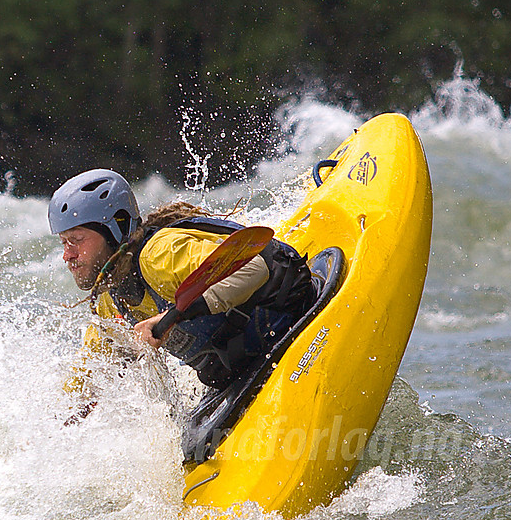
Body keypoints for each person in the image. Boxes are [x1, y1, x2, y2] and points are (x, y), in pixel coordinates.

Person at [49, 168, 317, 393]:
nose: (67, 255)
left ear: (113, 230)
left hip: (293, 316)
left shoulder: (159, 256)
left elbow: (253, 268)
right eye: (64, 242)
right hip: (245, 367)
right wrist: (70, 413)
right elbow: (94, 369)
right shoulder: (111, 300)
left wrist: (173, 315)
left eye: (77, 240)